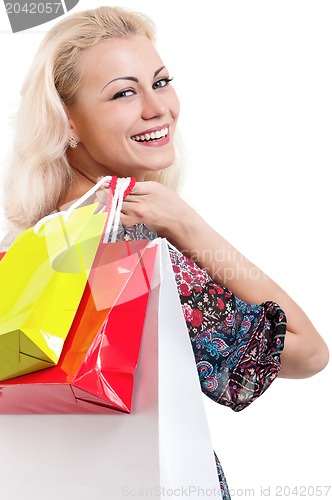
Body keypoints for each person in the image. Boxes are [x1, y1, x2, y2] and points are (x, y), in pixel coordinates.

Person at [0, 6, 329, 498]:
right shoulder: (131, 249)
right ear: (67, 122)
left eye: (161, 81)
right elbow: (307, 351)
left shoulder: (21, 248)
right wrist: (188, 226)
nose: (158, 108)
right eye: (124, 92)